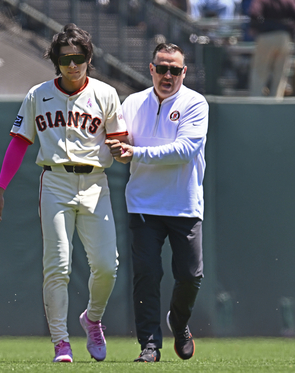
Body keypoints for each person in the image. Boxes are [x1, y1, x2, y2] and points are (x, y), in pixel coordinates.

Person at [0, 23, 128, 363]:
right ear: (56, 61)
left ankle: (92, 319)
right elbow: (19, 143)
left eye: (79, 58)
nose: (73, 65)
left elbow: (120, 140)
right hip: (56, 182)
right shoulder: (38, 94)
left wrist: (122, 149)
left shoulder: (105, 94)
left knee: (107, 266)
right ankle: (61, 342)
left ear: (88, 58)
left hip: (95, 184)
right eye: (65, 59)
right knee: (58, 266)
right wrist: (0, 189)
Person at [106, 43, 208, 363]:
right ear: (150, 69)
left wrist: (134, 153)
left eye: (174, 70)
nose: (167, 75)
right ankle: (149, 344)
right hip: (143, 203)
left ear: (183, 72)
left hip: (184, 203)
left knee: (191, 275)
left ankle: (178, 323)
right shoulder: (133, 103)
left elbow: (184, 150)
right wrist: (119, 150)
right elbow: (120, 142)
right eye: (161, 68)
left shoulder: (195, 103)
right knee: (147, 274)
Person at [248, 0, 295, 97]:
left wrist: (264, 24)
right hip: (283, 37)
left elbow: (254, 14)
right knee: (280, 74)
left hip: (265, 36)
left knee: (260, 71)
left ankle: (256, 99)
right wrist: (290, 27)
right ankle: (276, 101)